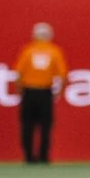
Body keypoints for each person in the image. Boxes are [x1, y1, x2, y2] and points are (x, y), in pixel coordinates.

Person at [16, 21, 64, 164]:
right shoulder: (54, 51)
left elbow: (18, 74)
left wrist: (20, 91)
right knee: (45, 126)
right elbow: (62, 75)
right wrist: (59, 91)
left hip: (29, 91)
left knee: (27, 125)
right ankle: (43, 156)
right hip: (45, 91)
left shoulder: (28, 51)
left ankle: (28, 156)